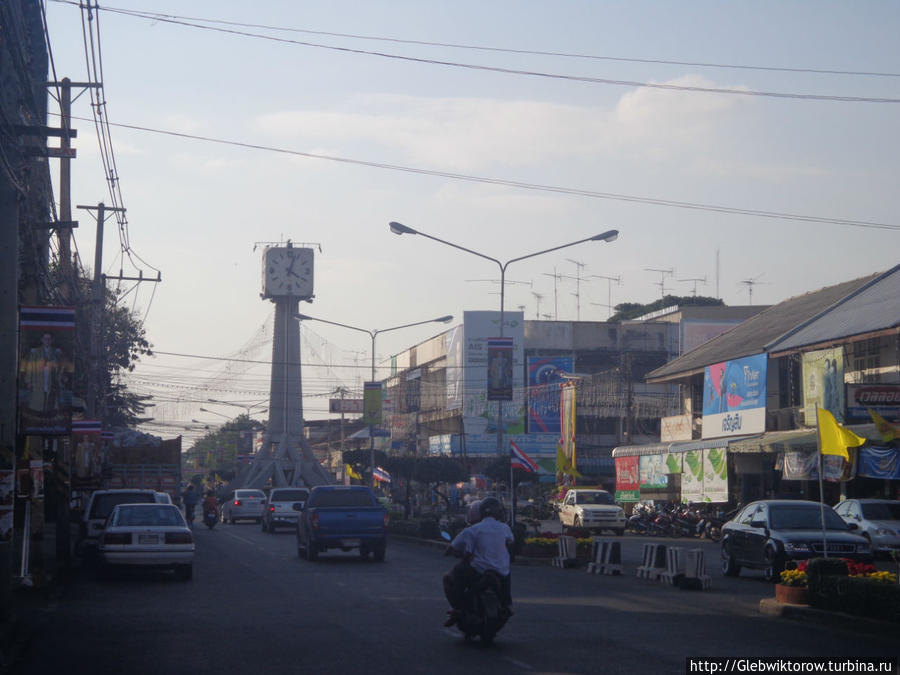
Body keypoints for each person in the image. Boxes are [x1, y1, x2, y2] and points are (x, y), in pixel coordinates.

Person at [442, 497, 513, 627]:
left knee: (450, 578)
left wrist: (452, 554)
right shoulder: (505, 528)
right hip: (501, 571)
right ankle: (506, 604)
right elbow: (510, 543)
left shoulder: (473, 530)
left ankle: (458, 608)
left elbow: (464, 553)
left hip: (478, 570)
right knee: (506, 574)